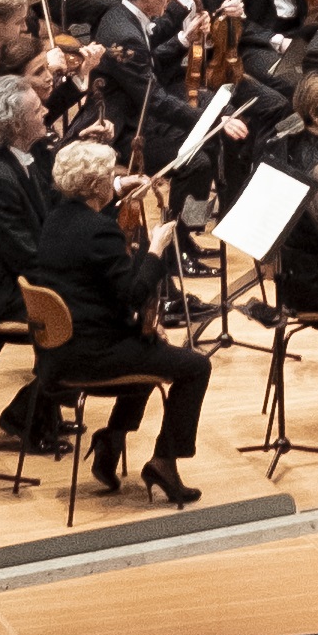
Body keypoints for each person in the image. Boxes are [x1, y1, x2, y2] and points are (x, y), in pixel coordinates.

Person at [35, 139, 206, 503]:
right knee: (195, 366)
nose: (115, 178)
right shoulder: (100, 231)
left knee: (149, 348)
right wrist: (156, 250)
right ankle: (164, 460)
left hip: (58, 351)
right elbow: (132, 293)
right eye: (111, 176)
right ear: (97, 185)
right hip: (90, 357)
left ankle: (111, 439)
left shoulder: (55, 219)